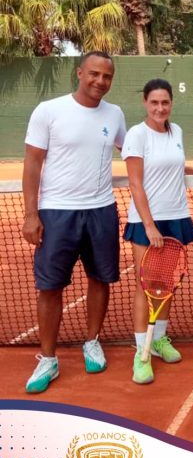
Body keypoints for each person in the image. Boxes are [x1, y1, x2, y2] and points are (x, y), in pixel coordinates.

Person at [22, 51, 127, 393]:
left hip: (101, 210)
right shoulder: (48, 110)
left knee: (100, 279)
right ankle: (48, 358)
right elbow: (32, 163)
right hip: (56, 213)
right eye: (94, 73)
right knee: (50, 287)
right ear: (79, 72)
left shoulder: (115, 114)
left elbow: (133, 152)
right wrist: (31, 214)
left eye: (107, 76)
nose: (100, 81)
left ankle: (92, 341)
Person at [122, 79, 193, 385]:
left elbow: (172, 166)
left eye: (165, 102)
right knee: (146, 286)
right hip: (147, 222)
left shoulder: (176, 131)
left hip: (176, 216)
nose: (160, 108)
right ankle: (141, 353)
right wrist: (150, 225)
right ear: (145, 103)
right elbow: (135, 182)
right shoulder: (136, 135)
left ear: (171, 103)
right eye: (154, 102)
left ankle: (159, 340)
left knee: (167, 284)